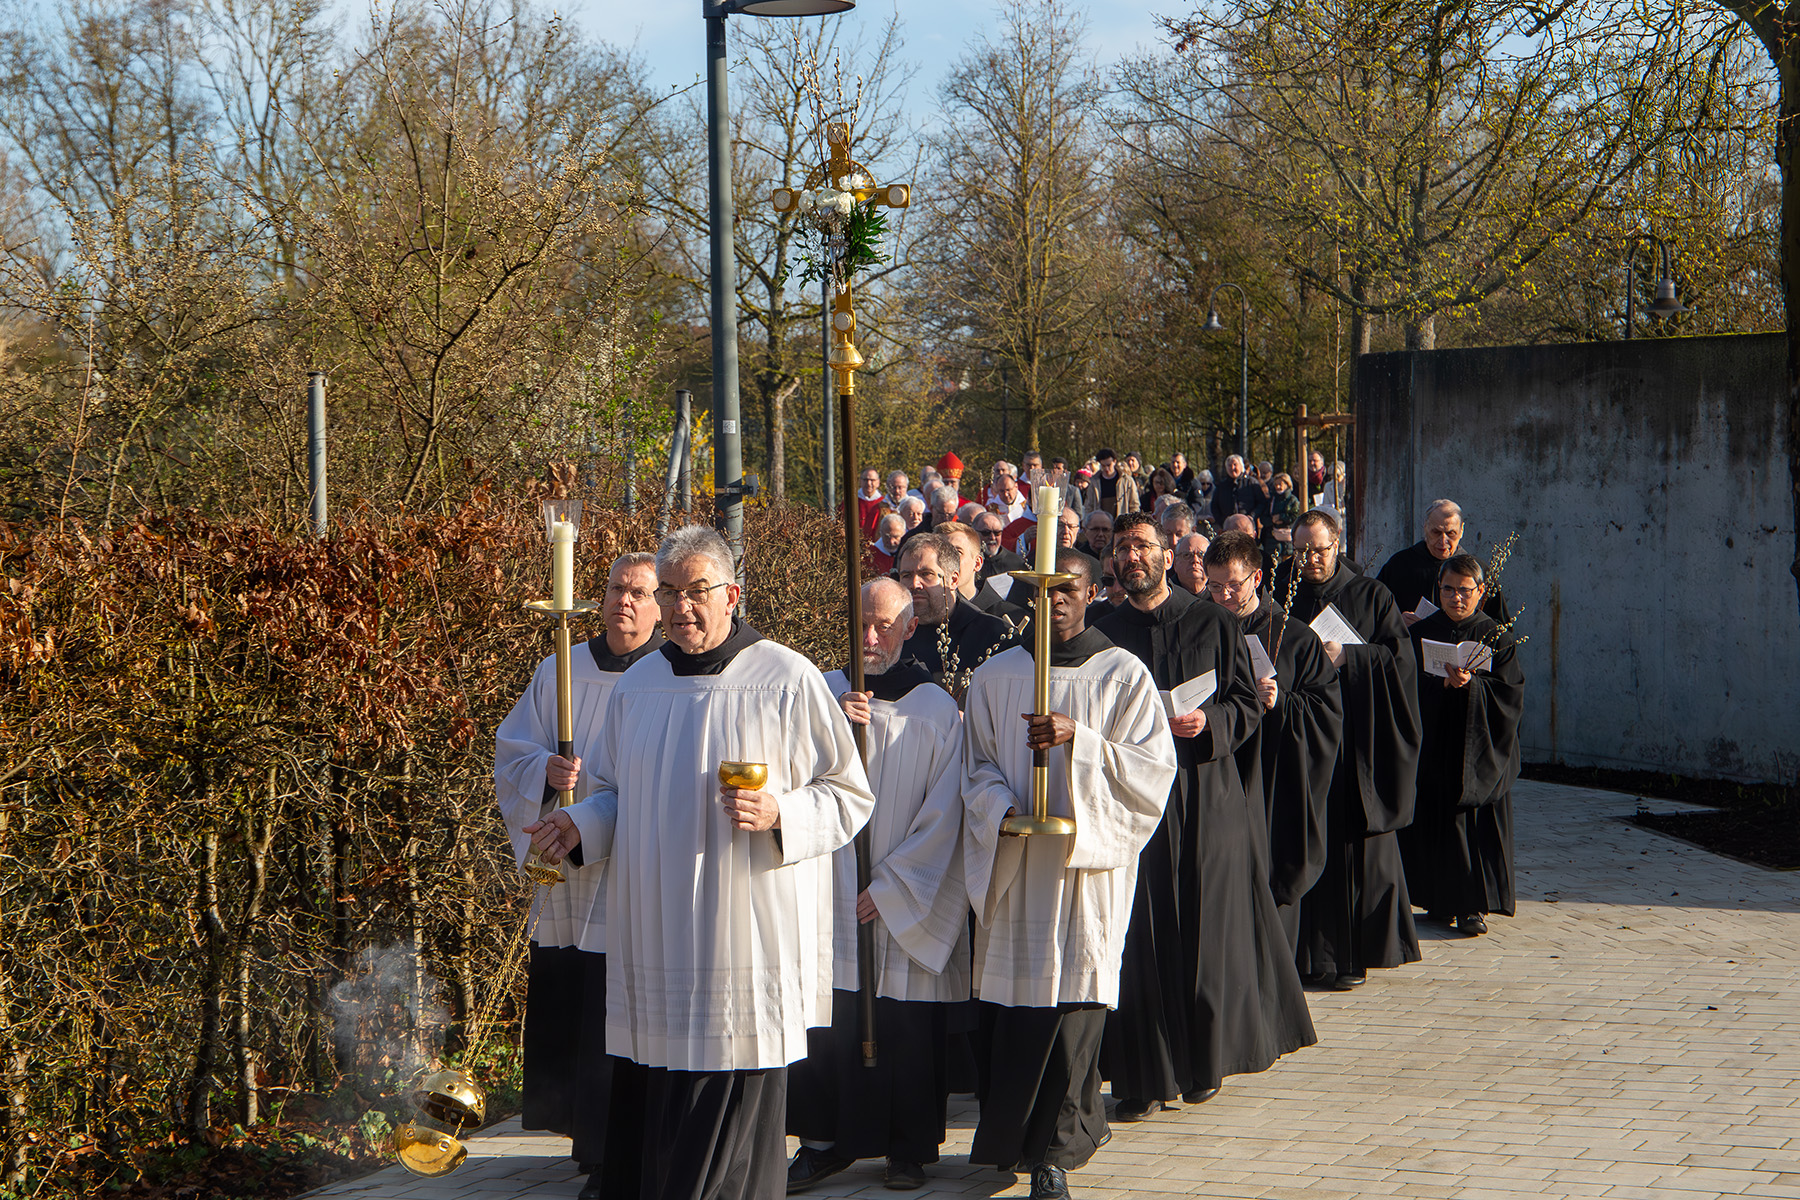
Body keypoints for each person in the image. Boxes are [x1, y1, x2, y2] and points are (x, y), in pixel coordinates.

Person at [524, 525, 876, 1200]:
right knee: (665, 1106)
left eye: (698, 590)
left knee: (729, 1113)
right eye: (671, 592)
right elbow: (612, 793)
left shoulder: (786, 677)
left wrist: (782, 815)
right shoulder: (641, 685)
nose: (682, 606)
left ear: (733, 594)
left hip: (744, 935)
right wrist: (577, 822)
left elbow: (847, 792)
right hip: (658, 936)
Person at [961, 548, 1178, 1200]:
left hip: (1085, 874)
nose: (1054, 602)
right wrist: (1001, 810)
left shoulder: (1123, 675)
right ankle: (1007, 1140)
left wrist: (1077, 742)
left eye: (1068, 591)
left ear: (1091, 594)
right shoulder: (997, 676)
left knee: (1074, 1014)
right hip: (1020, 866)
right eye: (1043, 592)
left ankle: (1055, 1153)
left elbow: (1149, 775)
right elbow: (972, 770)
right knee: (1018, 1011)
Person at [1095, 514, 1311, 1118]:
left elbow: (1247, 702)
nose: (1131, 556)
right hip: (1133, 805)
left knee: (1201, 935)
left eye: (1142, 545)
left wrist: (1209, 723)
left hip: (1204, 794)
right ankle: (1138, 1077)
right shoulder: (1104, 634)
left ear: (1167, 555)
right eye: (1121, 548)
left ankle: (1202, 1064)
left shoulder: (1212, 621)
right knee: (1137, 938)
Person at [788, 579, 970, 1192]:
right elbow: (784, 776)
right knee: (828, 1019)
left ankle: (907, 1147)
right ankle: (823, 1143)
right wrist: (832, 729)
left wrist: (893, 887)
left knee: (905, 1025)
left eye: (884, 626)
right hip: (828, 890)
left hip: (899, 894)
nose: (870, 637)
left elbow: (947, 812)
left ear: (909, 628)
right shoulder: (817, 692)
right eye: (861, 624)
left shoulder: (935, 708)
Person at [495, 552, 664, 1200]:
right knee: (581, 1008)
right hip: (571, 879)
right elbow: (513, 749)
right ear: (599, 598)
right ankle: (586, 1144)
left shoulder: (662, 678)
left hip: (627, 873)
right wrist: (544, 770)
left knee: (616, 1009)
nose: (625, 601)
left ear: (658, 606)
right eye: (617, 589)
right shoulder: (561, 669)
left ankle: (617, 1151)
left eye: (639, 592)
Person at [1273, 511, 1423, 988]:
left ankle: (1347, 958)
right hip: (1300, 739)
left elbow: (1399, 663)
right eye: (1301, 551)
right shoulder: (1284, 596)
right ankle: (1298, 957)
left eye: (1319, 549)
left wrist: (1351, 657)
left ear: (1337, 543)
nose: (1310, 559)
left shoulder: (1370, 595)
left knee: (1348, 847)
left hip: (1355, 742)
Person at [1204, 532, 1343, 952]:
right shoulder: (1202, 627)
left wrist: (1282, 701)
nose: (1224, 595)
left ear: (1258, 577)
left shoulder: (1294, 637)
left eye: (1234, 584)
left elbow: (1326, 711)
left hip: (1272, 777)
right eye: (1213, 586)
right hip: (1217, 770)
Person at [1398, 555, 1525, 937]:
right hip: (1435, 743)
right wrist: (1439, 685)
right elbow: (1404, 686)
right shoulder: (1423, 632)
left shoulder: (1495, 636)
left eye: (1465, 591)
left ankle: (1472, 906)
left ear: (1481, 592)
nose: (1456, 598)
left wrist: (1472, 688)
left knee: (1473, 824)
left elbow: (1511, 693)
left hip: (1478, 748)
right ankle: (1437, 900)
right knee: (1434, 819)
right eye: (1448, 589)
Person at [897, 533, 1012, 693]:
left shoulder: (995, 635)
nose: (915, 584)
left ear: (953, 580)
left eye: (926, 574)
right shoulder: (892, 634)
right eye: (906, 576)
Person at [1376, 500, 1511, 626]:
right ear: (1425, 527)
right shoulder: (1400, 565)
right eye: (1436, 532)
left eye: (1450, 533)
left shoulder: (1478, 570)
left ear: (1461, 531)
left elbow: (1500, 628)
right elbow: (1375, 612)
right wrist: (1397, 622)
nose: (1443, 541)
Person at [942, 521, 1029, 628]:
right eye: (939, 554)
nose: (945, 561)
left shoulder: (1011, 617)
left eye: (957, 552)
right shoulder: (922, 615)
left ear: (977, 563)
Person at [973, 512, 1028, 585]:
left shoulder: (1016, 563)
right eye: (986, 533)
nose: (992, 537)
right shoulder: (969, 561)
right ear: (974, 533)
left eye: (997, 533)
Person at [1211, 456, 1264, 529]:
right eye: (1229, 465)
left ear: (1241, 466)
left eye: (1235, 464)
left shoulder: (1251, 483)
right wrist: (1223, 521)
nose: (1232, 468)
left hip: (1248, 526)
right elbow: (1214, 506)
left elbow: (1262, 502)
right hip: (1228, 527)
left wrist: (1252, 516)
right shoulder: (1221, 486)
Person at [1085, 449, 1139, 519]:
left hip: (1122, 522)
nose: (1106, 469)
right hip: (1101, 522)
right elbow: (1089, 506)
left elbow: (1134, 505)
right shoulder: (1094, 482)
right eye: (1103, 466)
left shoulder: (1127, 481)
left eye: (1108, 465)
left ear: (1114, 461)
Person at [1262, 473, 1302, 564]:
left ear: (1287, 484)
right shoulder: (1271, 500)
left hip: (1287, 538)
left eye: (1280, 484)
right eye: (1276, 484)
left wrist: (1282, 518)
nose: (1278, 487)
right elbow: (1263, 517)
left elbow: (1296, 516)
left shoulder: (1293, 500)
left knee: (1287, 562)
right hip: (1272, 538)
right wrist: (1272, 521)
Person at [856, 468, 885, 540]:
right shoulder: (851, 502)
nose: (869, 483)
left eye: (872, 480)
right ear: (860, 481)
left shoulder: (884, 504)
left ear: (878, 482)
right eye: (865, 480)